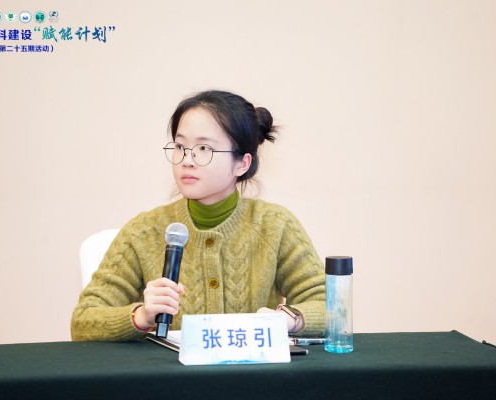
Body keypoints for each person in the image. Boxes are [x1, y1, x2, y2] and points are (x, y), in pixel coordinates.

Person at [71, 90, 325, 342]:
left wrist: (289, 319)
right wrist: (142, 316)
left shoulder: (275, 225)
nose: (187, 160)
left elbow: (329, 307)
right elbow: (83, 321)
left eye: (204, 148)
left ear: (242, 163)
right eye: (180, 146)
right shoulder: (143, 231)